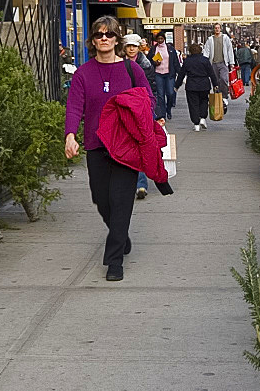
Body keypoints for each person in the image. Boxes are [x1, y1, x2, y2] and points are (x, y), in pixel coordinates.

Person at [64, 16, 160, 282]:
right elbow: (74, 107)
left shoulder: (132, 70)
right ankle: (121, 236)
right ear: (92, 41)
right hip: (96, 146)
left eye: (108, 34)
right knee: (101, 199)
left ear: (117, 39)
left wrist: (139, 111)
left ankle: (114, 260)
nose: (103, 38)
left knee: (120, 202)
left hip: (126, 148)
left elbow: (148, 99)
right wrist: (70, 135)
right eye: (98, 35)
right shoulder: (84, 73)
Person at [123, 33, 161, 200]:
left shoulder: (146, 65)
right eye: (129, 46)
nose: (131, 49)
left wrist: (154, 110)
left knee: (140, 145)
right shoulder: (117, 63)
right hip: (122, 108)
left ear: (139, 48)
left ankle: (140, 184)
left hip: (141, 108)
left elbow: (152, 88)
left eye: (134, 46)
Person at [175, 43, 219, 131]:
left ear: (190, 51)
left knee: (193, 104)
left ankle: (196, 124)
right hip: (204, 84)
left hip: (191, 85)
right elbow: (211, 73)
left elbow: (181, 74)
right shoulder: (205, 60)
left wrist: (177, 85)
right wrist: (215, 84)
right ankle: (203, 118)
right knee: (204, 101)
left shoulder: (187, 61)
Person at [147, 32, 181, 121]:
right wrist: (154, 63)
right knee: (160, 95)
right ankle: (163, 114)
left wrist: (180, 74)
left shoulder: (170, 49)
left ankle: (168, 108)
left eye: (161, 39)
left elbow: (175, 62)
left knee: (170, 93)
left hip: (169, 74)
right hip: (158, 74)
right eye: (158, 39)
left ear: (164, 39)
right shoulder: (153, 49)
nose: (160, 41)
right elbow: (148, 61)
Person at [202, 23, 235, 102]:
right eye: (215, 28)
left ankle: (224, 95)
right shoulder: (210, 39)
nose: (217, 29)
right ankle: (217, 94)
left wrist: (231, 63)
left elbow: (229, 50)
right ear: (214, 29)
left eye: (218, 28)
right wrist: (205, 62)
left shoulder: (225, 38)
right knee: (215, 80)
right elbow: (206, 51)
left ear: (220, 29)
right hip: (213, 63)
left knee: (224, 79)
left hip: (223, 62)